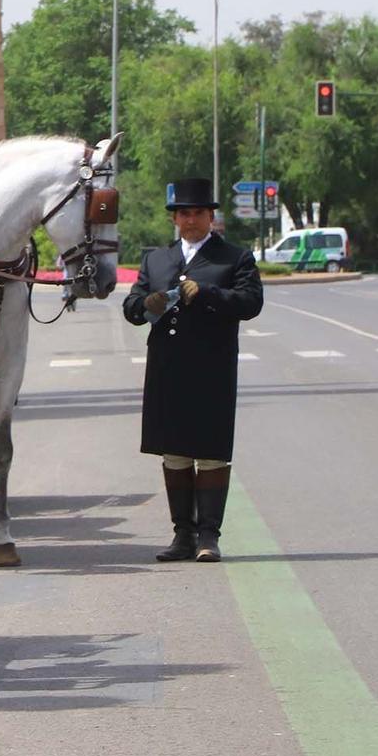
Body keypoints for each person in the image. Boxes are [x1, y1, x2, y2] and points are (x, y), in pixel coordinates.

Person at [121, 178, 264, 563]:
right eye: (183, 213)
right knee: (175, 455)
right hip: (168, 367)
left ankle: (208, 536)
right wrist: (144, 305)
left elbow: (251, 302)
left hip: (211, 366)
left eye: (198, 212)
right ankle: (181, 534)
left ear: (211, 216)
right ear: (174, 218)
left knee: (211, 453)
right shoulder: (157, 259)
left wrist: (209, 294)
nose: (190, 220)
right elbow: (133, 307)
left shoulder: (234, 257)